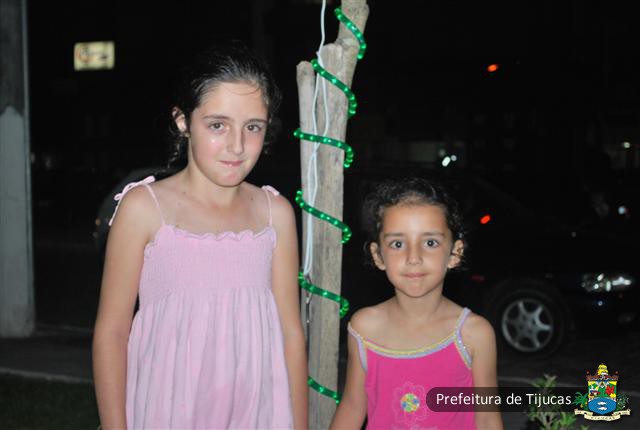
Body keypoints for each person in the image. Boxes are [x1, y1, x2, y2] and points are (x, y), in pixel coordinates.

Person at [92, 41, 308, 429]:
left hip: (255, 414)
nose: (237, 146)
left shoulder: (275, 215)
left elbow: (290, 333)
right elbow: (112, 332)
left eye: (253, 127)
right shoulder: (144, 209)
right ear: (183, 121)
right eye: (217, 125)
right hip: (169, 410)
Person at [330, 177, 503, 430]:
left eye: (430, 243)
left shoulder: (474, 334)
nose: (414, 258)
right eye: (398, 244)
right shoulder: (364, 328)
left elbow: (487, 418)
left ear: (455, 253)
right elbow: (353, 406)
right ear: (378, 255)